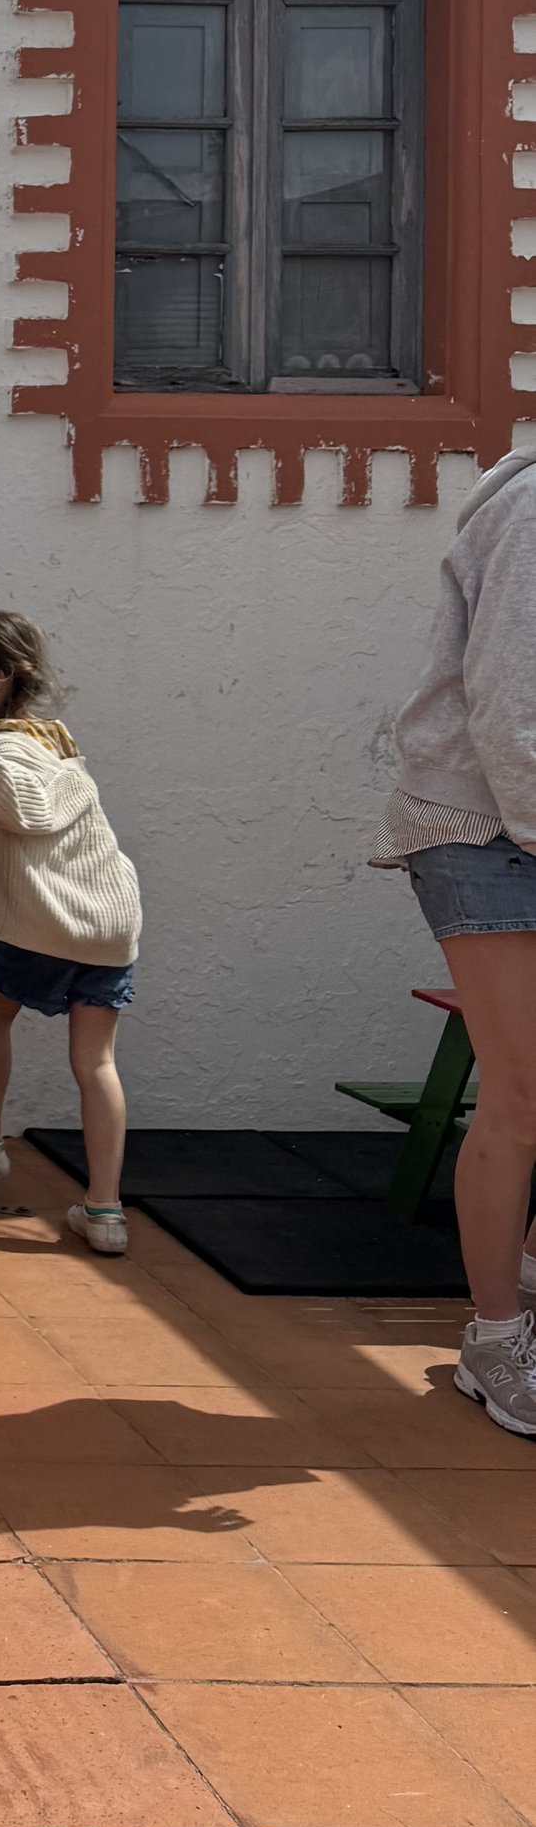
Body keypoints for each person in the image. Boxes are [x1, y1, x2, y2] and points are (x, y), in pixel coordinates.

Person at [375, 449, 536, 1432]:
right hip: (482, 829)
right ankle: (494, 1339)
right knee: (522, 1097)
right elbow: (509, 704)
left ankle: (529, 1304)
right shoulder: (531, 507)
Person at [0, 609, 142, 1255]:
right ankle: (105, 1210)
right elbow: (26, 822)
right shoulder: (54, 740)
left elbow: (21, 799)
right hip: (108, 926)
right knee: (96, 1062)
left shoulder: (7, 747)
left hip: (46, 926)